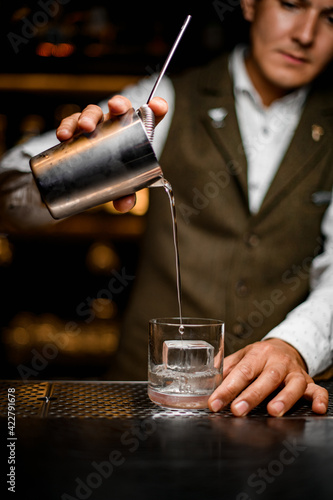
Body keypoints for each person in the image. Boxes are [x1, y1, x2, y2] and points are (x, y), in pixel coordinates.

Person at [1, 0, 333, 417]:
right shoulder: (166, 98)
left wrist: (295, 344)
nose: (306, 33)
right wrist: (74, 166)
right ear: (249, 4)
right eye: (291, 4)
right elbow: (9, 205)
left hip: (271, 413)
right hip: (140, 405)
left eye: (331, 17)